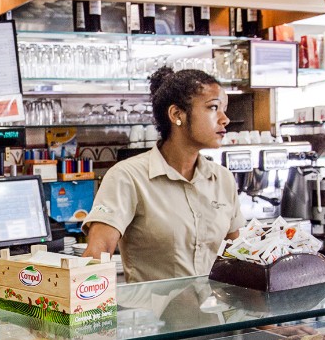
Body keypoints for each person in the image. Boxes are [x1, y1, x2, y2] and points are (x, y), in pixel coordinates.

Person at [82, 67, 244, 282]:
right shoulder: (127, 176)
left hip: (215, 314)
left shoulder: (222, 179)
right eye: (213, 108)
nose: (225, 119)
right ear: (177, 115)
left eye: (224, 109)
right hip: (150, 315)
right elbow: (97, 255)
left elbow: (239, 256)